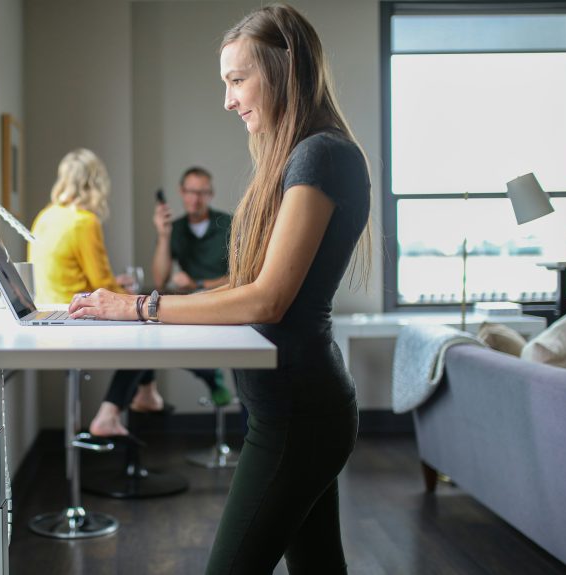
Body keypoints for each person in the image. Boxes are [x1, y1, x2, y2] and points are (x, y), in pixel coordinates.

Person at [69, 4, 372, 573]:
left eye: (238, 80)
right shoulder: (304, 156)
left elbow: (267, 300)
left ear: (285, 71)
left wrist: (136, 307)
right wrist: (134, 309)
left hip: (298, 414)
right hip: (290, 409)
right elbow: (246, 285)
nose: (229, 100)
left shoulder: (321, 156)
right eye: (226, 82)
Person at [89, 166, 234, 438]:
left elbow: (241, 276)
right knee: (143, 341)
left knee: (149, 340)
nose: (195, 199)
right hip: (188, 309)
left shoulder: (229, 224)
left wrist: (199, 285)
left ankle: (139, 397)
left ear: (211, 194)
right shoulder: (175, 228)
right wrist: (164, 235)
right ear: (181, 193)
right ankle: (136, 399)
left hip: (224, 306)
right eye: (191, 192)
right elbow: (160, 278)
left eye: (202, 192)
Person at [27, 148, 134, 305]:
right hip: (74, 312)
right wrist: (135, 299)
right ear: (96, 183)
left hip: (44, 308)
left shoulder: (44, 215)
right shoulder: (84, 222)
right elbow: (102, 284)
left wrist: (115, 283)